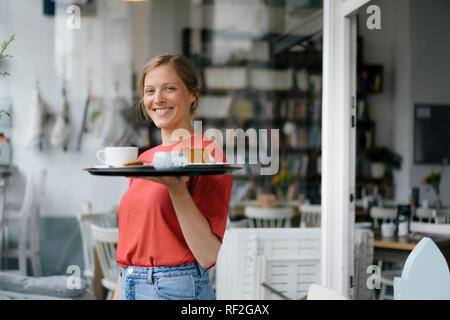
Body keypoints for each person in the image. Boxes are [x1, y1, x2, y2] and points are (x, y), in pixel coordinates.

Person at [113, 53, 232, 300]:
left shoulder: (206, 152)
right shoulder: (145, 159)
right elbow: (130, 248)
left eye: (169, 88)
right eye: (149, 91)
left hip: (174, 289)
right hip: (128, 283)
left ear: (192, 95)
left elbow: (209, 254)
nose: (158, 99)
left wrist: (177, 190)